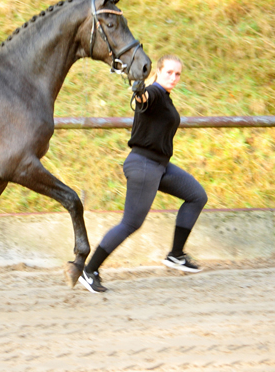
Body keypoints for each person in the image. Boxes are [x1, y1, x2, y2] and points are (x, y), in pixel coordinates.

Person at [79, 54, 208, 293]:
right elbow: (143, 98)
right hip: (144, 165)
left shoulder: (166, 99)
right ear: (158, 72)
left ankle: (176, 254)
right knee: (131, 223)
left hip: (160, 165)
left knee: (196, 196)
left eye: (177, 74)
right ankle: (89, 271)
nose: (173, 77)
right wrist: (139, 88)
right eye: (169, 72)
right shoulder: (156, 92)